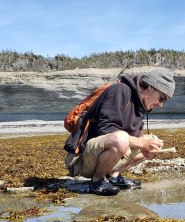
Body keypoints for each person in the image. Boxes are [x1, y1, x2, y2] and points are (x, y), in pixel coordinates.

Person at [72, 67, 174, 195]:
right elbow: (107, 130)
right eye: (162, 98)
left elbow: (139, 136)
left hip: (103, 156)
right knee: (121, 139)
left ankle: (113, 176)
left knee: (152, 142)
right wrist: (142, 144)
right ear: (151, 87)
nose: (161, 104)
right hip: (82, 160)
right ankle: (97, 181)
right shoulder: (120, 90)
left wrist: (147, 146)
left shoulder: (140, 104)